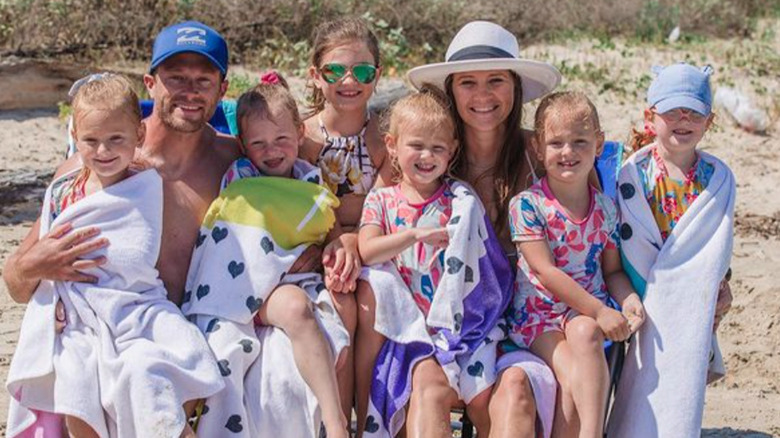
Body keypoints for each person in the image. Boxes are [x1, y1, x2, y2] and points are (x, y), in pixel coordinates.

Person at [5, 74, 224, 438]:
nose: (103, 151)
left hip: (137, 312)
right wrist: (49, 292)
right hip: (77, 318)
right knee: (75, 378)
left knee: (150, 372)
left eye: (115, 140)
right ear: (74, 137)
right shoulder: (65, 192)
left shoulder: (151, 186)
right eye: (91, 140)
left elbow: (140, 261)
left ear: (139, 135)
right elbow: (21, 273)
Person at [182, 72, 352, 438]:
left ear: (300, 135)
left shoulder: (310, 180)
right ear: (243, 145)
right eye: (258, 143)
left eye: (281, 139)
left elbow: (327, 225)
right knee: (272, 318)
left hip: (290, 282)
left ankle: (336, 421)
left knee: (297, 309)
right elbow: (230, 235)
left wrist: (326, 247)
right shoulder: (240, 179)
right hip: (239, 286)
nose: (271, 151)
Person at [607, 63, 736, 437]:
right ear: (651, 116)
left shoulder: (718, 179)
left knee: (680, 380)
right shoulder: (632, 174)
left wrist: (718, 280)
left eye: (695, 112)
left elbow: (715, 242)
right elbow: (621, 239)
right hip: (636, 291)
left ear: (709, 121)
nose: (684, 119)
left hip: (691, 298)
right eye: (673, 110)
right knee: (636, 380)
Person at [508, 91, 645, 437]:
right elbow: (545, 271)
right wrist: (600, 311)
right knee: (572, 378)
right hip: (538, 316)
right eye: (556, 143)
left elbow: (612, 271)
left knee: (585, 333)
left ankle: (591, 432)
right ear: (539, 148)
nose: (567, 152)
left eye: (580, 141)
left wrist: (628, 300)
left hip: (582, 316)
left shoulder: (606, 209)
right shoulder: (528, 206)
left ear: (598, 144)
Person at [300, 16, 394, 421]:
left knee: (371, 304)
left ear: (378, 75)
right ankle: (336, 419)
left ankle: (368, 419)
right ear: (315, 75)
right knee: (340, 305)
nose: (349, 80)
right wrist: (337, 235)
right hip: (313, 249)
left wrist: (353, 238)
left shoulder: (387, 138)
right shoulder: (301, 138)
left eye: (362, 70)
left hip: (372, 247)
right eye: (335, 69)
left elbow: (384, 204)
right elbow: (296, 203)